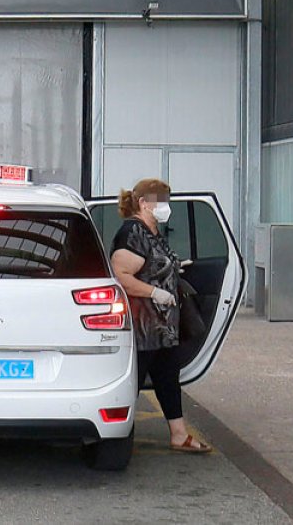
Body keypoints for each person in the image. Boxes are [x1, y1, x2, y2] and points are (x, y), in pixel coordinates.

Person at [110, 178, 211, 454]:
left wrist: (173, 272)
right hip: (143, 327)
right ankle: (115, 439)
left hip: (163, 328)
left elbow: (154, 264)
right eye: (161, 201)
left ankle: (178, 435)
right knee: (132, 383)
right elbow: (121, 275)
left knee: (168, 378)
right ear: (144, 203)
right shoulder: (132, 233)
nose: (167, 207)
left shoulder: (151, 231)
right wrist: (155, 293)